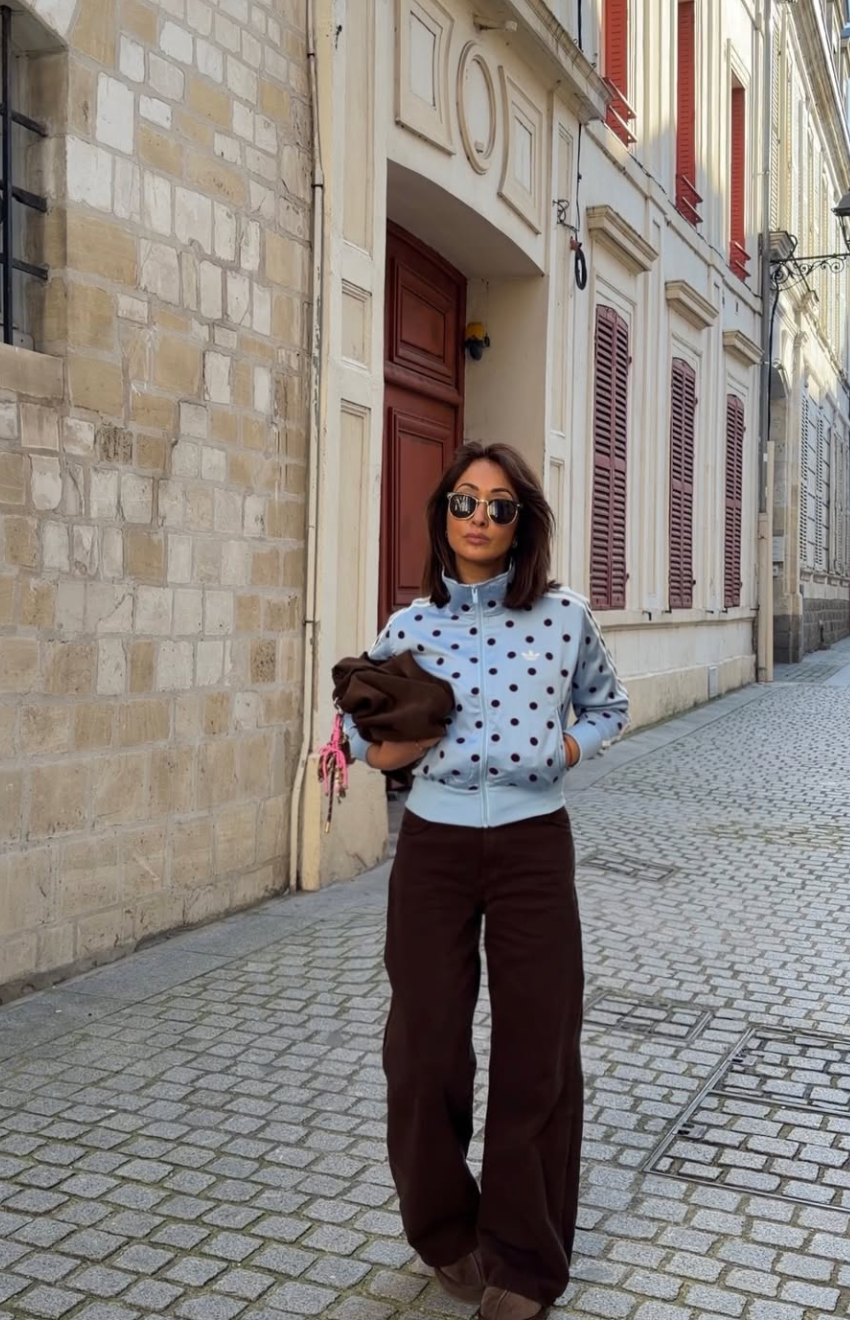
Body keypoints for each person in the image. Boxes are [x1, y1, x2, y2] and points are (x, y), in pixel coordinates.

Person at [343, 442, 629, 1320]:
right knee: (424, 1048)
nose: (479, 517)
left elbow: (608, 705)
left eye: (500, 506)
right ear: (443, 517)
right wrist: (387, 746)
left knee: (537, 1052)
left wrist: (563, 749)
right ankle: (444, 1230)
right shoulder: (409, 627)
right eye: (464, 502)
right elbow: (362, 738)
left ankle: (526, 1258)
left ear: (522, 525)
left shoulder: (565, 617)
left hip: (535, 847)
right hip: (433, 847)